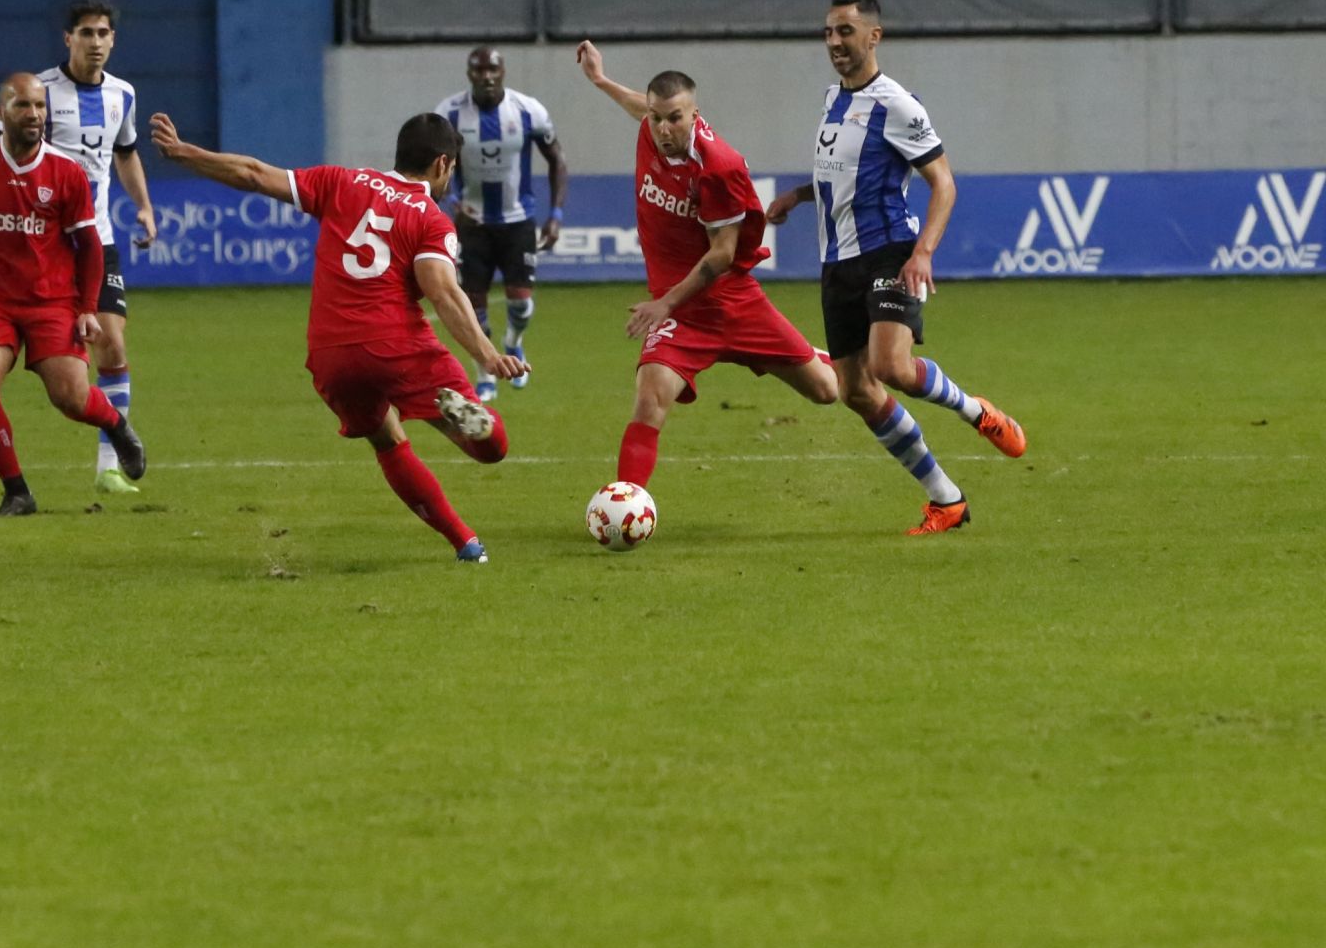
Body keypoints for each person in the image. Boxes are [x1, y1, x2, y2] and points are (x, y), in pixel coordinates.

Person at [151, 110, 527, 563]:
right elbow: (443, 291)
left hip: (330, 353)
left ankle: (465, 542)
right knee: (493, 450)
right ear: (443, 165)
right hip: (394, 344)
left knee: (388, 441)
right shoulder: (431, 219)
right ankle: (474, 423)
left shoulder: (341, 182)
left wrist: (183, 152)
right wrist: (487, 354)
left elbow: (252, 173)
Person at [765, 0, 1027, 536]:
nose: (835, 43)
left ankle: (976, 412)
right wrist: (795, 196)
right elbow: (841, 175)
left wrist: (923, 252)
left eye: (846, 32)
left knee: (892, 369)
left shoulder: (898, 105)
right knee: (857, 391)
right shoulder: (831, 100)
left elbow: (944, 183)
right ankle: (947, 499)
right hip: (837, 262)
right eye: (829, 33)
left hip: (891, 250)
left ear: (874, 37)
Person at [575, 42, 838, 496]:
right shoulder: (651, 128)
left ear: (695, 115)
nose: (662, 127)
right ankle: (623, 504)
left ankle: (823, 357)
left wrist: (664, 302)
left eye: (674, 117)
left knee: (826, 391)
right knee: (650, 397)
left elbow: (721, 255)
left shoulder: (717, 167)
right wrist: (601, 80)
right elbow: (638, 105)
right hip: (682, 317)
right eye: (657, 117)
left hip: (730, 301)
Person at [0, 0, 156, 495]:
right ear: (68, 38)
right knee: (9, 365)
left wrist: (143, 204)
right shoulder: (38, 91)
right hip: (39, 242)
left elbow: (125, 153)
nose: (95, 42)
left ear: (113, 40)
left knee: (113, 344)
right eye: (86, 33)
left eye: (103, 33)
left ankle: (109, 466)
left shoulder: (123, 94)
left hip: (95, 234)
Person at [434, 46, 567, 402]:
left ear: (503, 72)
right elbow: (433, 165)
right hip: (471, 224)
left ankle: (514, 344)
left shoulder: (528, 110)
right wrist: (450, 202)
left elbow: (557, 161)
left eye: (493, 69)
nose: (487, 76)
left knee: (520, 303)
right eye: (479, 71)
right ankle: (485, 372)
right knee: (472, 305)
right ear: (469, 74)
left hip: (518, 220)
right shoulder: (448, 114)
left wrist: (556, 215)